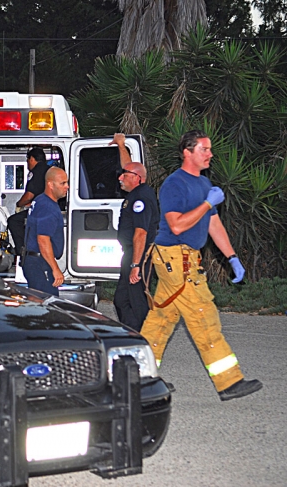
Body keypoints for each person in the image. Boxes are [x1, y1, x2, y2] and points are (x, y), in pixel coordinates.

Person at [140, 130, 262, 401]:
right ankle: (229, 382)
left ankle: (139, 379)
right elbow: (176, 224)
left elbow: (213, 224)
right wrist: (208, 203)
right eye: (204, 149)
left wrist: (232, 258)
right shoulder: (175, 184)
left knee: (161, 320)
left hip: (184, 259)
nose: (210, 154)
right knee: (203, 315)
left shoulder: (204, 184)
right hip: (174, 258)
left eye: (209, 150)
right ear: (187, 152)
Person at [111, 134, 160, 332]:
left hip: (139, 256)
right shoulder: (136, 193)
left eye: (125, 175)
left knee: (136, 300)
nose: (120, 177)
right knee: (122, 300)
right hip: (132, 255)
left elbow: (140, 233)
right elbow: (129, 166)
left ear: (137, 179)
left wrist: (135, 265)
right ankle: (132, 334)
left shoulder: (141, 199)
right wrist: (121, 145)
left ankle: (144, 338)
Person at [22, 167, 69, 296]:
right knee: (48, 303)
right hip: (39, 263)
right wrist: (55, 269)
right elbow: (43, 239)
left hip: (35, 261)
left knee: (38, 302)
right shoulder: (48, 207)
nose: (67, 186)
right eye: (63, 183)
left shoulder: (40, 199)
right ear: (50, 184)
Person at [7, 147, 50, 256]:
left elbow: (29, 195)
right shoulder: (50, 170)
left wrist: (19, 204)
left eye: (27, 160)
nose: (27, 164)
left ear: (32, 159)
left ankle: (22, 250)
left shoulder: (35, 172)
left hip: (40, 211)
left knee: (13, 221)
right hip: (51, 209)